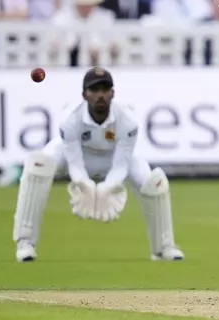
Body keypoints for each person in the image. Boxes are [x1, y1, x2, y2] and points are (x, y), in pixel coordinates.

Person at [13, 67, 184, 262]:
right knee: (37, 165)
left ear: (112, 93)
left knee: (154, 183)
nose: (100, 95)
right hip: (78, 154)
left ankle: (164, 247)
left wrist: (107, 187)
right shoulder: (71, 119)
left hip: (112, 156)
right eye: (94, 90)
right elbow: (74, 162)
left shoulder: (127, 120)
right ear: (84, 94)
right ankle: (25, 243)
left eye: (105, 89)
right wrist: (84, 185)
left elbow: (121, 164)